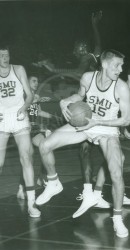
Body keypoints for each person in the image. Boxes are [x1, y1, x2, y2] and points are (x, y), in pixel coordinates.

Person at [36, 50, 130, 238]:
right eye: (116, 65)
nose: (120, 69)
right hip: (87, 124)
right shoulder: (88, 77)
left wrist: (98, 122)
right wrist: (65, 101)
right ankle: (53, 183)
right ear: (104, 64)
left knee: (117, 173)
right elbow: (80, 95)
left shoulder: (121, 87)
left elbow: (126, 120)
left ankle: (117, 219)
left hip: (107, 129)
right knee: (44, 146)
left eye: (121, 66)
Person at [0, 44, 41, 218]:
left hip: (19, 117)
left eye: (7, 55)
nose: (5, 58)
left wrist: (24, 107)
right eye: (2, 56)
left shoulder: (18, 70)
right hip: (2, 119)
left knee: (26, 157)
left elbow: (30, 95)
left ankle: (31, 203)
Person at [17, 73, 54, 199]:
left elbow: (38, 112)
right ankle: (22, 187)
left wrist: (53, 117)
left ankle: (41, 177)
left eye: (37, 81)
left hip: (34, 127)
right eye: (33, 81)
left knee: (47, 146)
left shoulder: (36, 96)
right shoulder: (22, 94)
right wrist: (36, 99)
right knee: (29, 158)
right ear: (27, 83)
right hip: (24, 128)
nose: (36, 83)